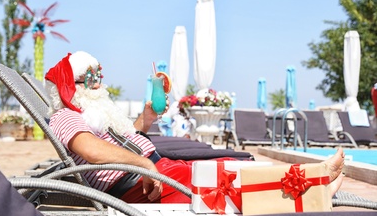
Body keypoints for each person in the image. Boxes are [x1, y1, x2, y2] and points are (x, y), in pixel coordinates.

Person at [44, 51, 345, 204]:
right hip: (141, 185)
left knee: (230, 168)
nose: (101, 83)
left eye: (100, 75)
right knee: (225, 184)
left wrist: (146, 119)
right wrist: (143, 165)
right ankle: (313, 191)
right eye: (94, 78)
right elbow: (93, 152)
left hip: (157, 171)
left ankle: (314, 183)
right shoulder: (66, 116)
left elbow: (126, 138)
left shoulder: (92, 114)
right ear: (74, 86)